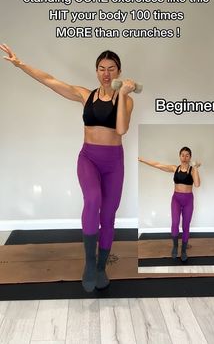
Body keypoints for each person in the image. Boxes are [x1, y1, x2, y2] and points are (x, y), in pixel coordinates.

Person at [0, 43, 135, 291]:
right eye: (101, 68)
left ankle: (101, 267)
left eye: (111, 69)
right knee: (93, 199)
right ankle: (89, 263)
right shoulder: (86, 95)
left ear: (119, 72)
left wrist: (124, 93)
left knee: (108, 215)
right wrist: (21, 64)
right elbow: (50, 81)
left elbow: (122, 130)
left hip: (114, 162)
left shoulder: (126, 101)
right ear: (96, 71)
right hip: (89, 158)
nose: (106, 73)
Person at [139, 147, 201, 261]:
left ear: (190, 157)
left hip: (188, 200)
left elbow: (197, 184)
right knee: (175, 222)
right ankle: (175, 246)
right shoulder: (174, 168)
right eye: (182, 155)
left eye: (187, 155)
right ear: (179, 156)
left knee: (186, 225)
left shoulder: (192, 170)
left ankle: (183, 250)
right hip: (176, 199)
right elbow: (157, 165)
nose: (184, 157)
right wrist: (142, 159)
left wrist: (196, 168)